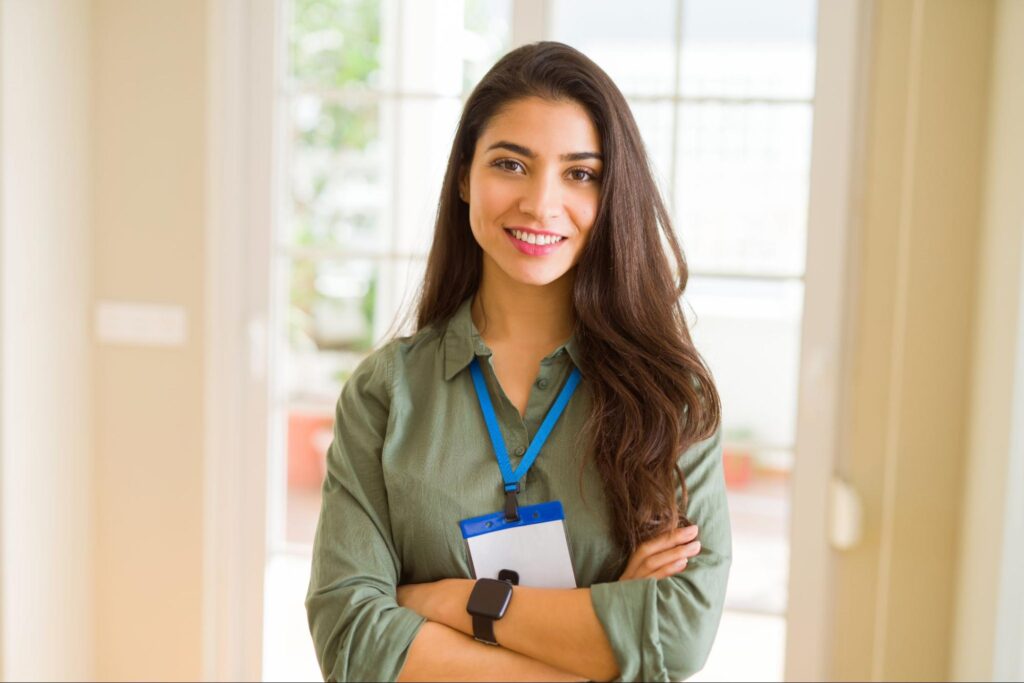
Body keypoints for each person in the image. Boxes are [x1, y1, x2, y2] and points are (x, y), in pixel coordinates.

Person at [305, 41, 731, 683]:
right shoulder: (384, 394)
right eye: (511, 164)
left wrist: (452, 603)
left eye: (580, 174)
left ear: (612, 193)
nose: (540, 203)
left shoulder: (672, 397)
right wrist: (599, 640)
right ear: (463, 177)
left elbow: (677, 636)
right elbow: (351, 638)